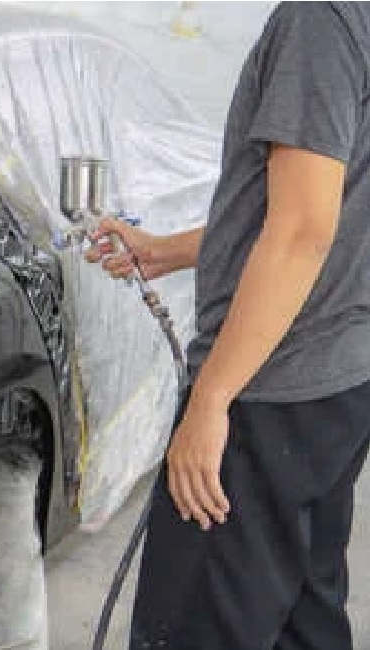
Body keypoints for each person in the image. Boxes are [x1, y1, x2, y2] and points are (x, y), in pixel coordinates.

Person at [85, 3, 370, 648]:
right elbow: (327, 203)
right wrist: (168, 251)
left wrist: (212, 399)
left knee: (196, 624)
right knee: (303, 619)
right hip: (337, 383)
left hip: (270, 386)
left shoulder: (321, 17)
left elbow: (301, 230)